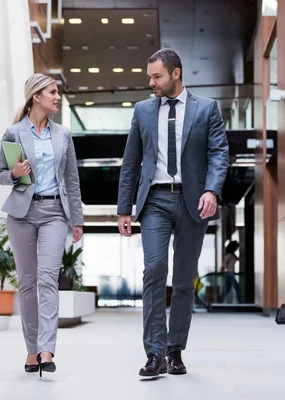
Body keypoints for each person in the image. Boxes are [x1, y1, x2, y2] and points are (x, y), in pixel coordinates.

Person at [117, 49, 229, 377]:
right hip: (155, 201)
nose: (151, 82)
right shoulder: (142, 111)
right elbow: (130, 162)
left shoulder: (206, 109)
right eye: (150, 77)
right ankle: (154, 354)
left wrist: (212, 189)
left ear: (175, 74)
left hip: (193, 202)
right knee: (153, 270)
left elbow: (219, 153)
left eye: (157, 77)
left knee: (182, 280)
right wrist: (124, 208)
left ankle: (175, 348)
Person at [0, 73, 84, 377]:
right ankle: (31, 350)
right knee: (27, 282)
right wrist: (16, 172)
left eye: (57, 93)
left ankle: (47, 349)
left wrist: (77, 220)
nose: (57, 97)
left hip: (55, 212)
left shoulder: (63, 135)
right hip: (21, 213)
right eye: (52, 92)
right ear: (36, 97)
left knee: (48, 278)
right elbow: (1, 175)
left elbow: (71, 180)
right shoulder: (13, 133)